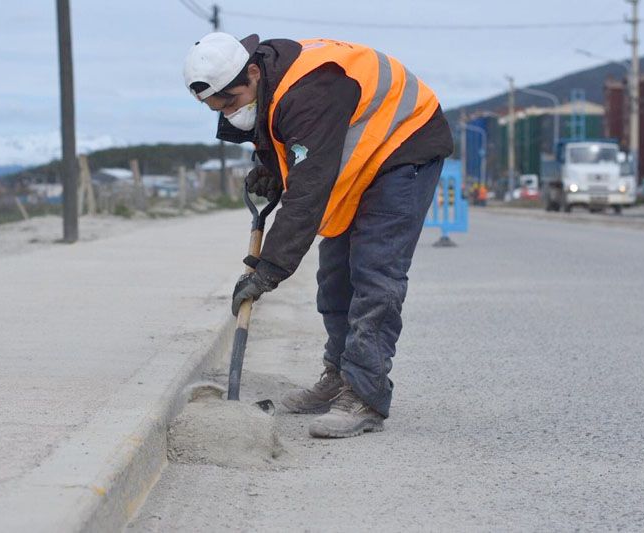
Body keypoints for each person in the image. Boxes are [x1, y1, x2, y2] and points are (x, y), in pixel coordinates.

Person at [183, 33, 453, 438]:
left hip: (404, 148)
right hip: (365, 157)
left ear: (252, 72)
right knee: (334, 273)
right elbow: (285, 136)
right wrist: (273, 170)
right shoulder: (270, 82)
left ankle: (365, 395)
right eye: (216, 107)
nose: (227, 112)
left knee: (375, 273)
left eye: (230, 102)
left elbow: (308, 191)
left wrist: (267, 270)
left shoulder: (311, 89)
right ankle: (340, 375)